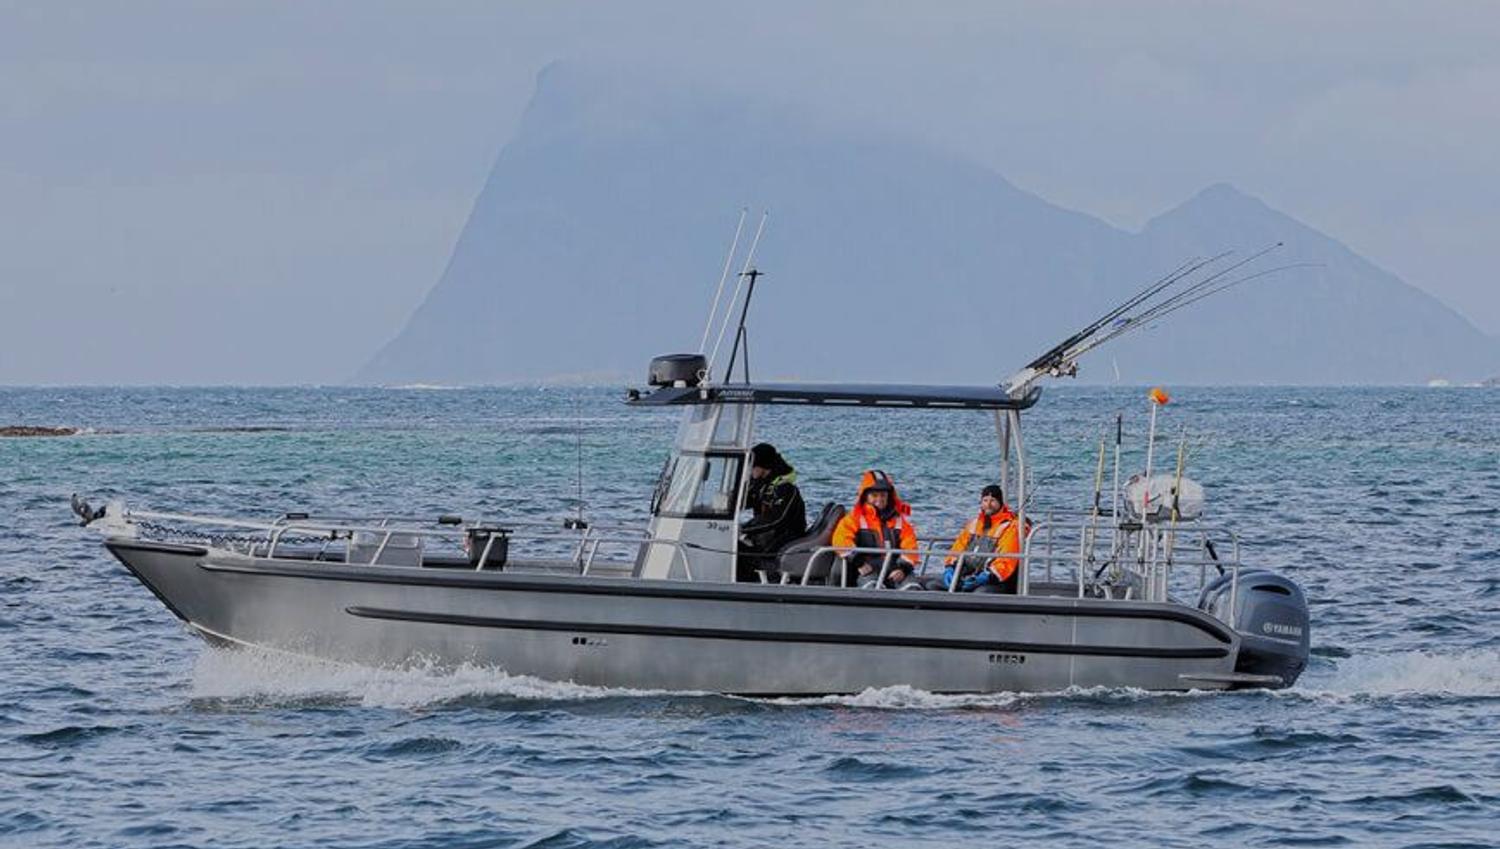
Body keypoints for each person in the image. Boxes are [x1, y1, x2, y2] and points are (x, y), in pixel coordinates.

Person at [831, 469, 921, 589]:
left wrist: (903, 569)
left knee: (913, 588)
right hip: (868, 570)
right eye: (874, 495)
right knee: (872, 587)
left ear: (889, 496)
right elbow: (840, 540)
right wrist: (859, 562)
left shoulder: (900, 521)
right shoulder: (854, 518)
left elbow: (911, 547)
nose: (879, 499)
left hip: (896, 570)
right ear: (865, 496)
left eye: (883, 495)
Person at [928, 484, 1025, 594]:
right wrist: (950, 567)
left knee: (979, 594)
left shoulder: (1010, 527)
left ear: (1000, 503)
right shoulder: (974, 524)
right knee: (932, 586)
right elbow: (957, 548)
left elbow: (1007, 560)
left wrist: (986, 576)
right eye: (985, 500)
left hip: (995, 581)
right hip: (968, 576)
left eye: (992, 500)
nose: (988, 504)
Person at [736, 443, 807, 582]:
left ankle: (751, 583)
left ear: (763, 466)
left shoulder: (785, 488)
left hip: (782, 539)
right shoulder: (762, 484)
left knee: (739, 552)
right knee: (734, 545)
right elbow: (745, 500)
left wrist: (744, 528)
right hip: (767, 538)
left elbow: (776, 519)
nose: (749, 470)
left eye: (752, 466)